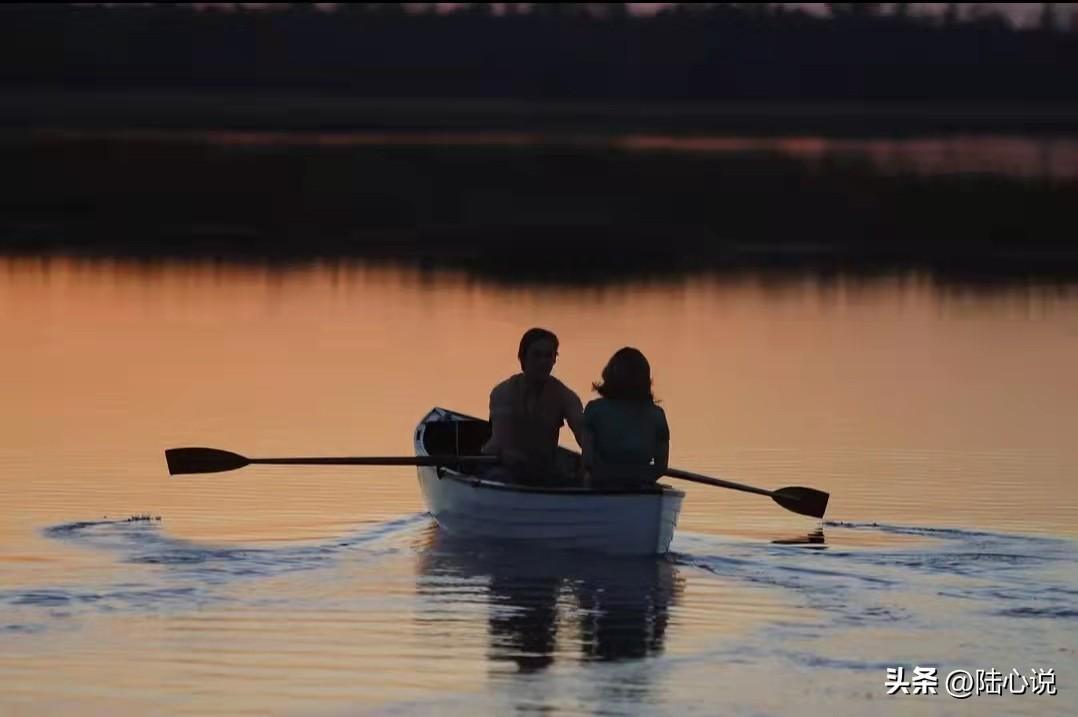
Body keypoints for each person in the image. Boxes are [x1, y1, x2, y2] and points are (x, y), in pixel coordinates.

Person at [481, 328, 590, 484]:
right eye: (536, 355)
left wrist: (592, 460)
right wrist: (510, 456)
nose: (543, 361)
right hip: (501, 464)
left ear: (554, 360)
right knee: (499, 477)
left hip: (544, 467)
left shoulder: (566, 396)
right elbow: (502, 441)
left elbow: (583, 434)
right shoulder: (503, 392)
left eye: (548, 356)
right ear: (523, 359)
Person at [582, 347, 669, 489]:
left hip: (602, 484)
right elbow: (661, 468)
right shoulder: (657, 415)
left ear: (609, 376)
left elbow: (587, 462)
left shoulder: (594, 409)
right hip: (642, 484)